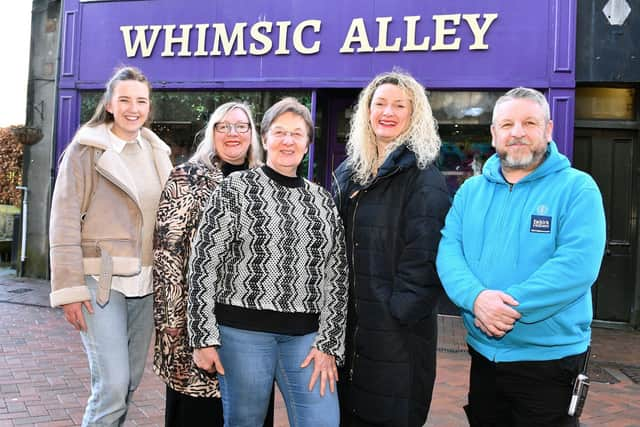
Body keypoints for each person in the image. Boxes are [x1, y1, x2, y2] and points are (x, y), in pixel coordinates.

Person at [436, 87, 607, 427]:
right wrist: (476, 299)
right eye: (507, 124)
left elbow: (576, 265)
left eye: (529, 122)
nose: (517, 132)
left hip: (549, 363)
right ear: (494, 133)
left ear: (548, 129)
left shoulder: (578, 188)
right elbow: (449, 251)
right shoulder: (470, 191)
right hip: (483, 356)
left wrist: (502, 308)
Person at [188, 97, 349, 427]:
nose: (288, 140)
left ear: (307, 143)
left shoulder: (322, 200)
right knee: (245, 422)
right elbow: (204, 263)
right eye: (279, 132)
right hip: (241, 333)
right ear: (264, 138)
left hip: (305, 338)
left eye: (297, 133)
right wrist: (202, 336)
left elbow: (338, 276)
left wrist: (330, 343)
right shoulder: (235, 188)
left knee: (323, 420)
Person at [49, 66, 172, 426]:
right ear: (109, 104)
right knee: (113, 385)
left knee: (130, 382)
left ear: (149, 106)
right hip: (99, 281)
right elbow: (64, 220)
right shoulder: (85, 152)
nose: (133, 108)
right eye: (125, 100)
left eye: (141, 101)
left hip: (147, 283)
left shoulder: (157, 152)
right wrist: (68, 289)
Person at [332, 70, 451, 426]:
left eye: (400, 105)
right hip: (348, 328)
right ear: (367, 111)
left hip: (395, 334)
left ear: (414, 116)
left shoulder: (423, 175)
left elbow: (426, 255)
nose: (388, 111)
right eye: (380, 103)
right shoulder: (348, 171)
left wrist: (397, 311)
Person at [152, 102, 271, 426]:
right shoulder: (187, 178)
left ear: (252, 135)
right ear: (211, 133)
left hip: (253, 334)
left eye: (241, 126)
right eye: (224, 126)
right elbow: (167, 261)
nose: (233, 133)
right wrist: (183, 335)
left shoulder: (265, 182)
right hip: (196, 329)